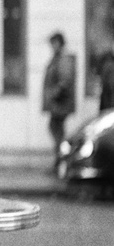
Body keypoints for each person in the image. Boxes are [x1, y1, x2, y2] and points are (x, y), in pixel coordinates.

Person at [42, 31, 76, 164]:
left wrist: (54, 94)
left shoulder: (63, 59)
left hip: (60, 103)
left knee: (56, 129)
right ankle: (61, 158)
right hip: (58, 103)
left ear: (59, 43)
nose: (52, 46)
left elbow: (65, 81)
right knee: (56, 129)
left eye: (53, 43)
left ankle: (63, 158)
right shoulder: (58, 58)